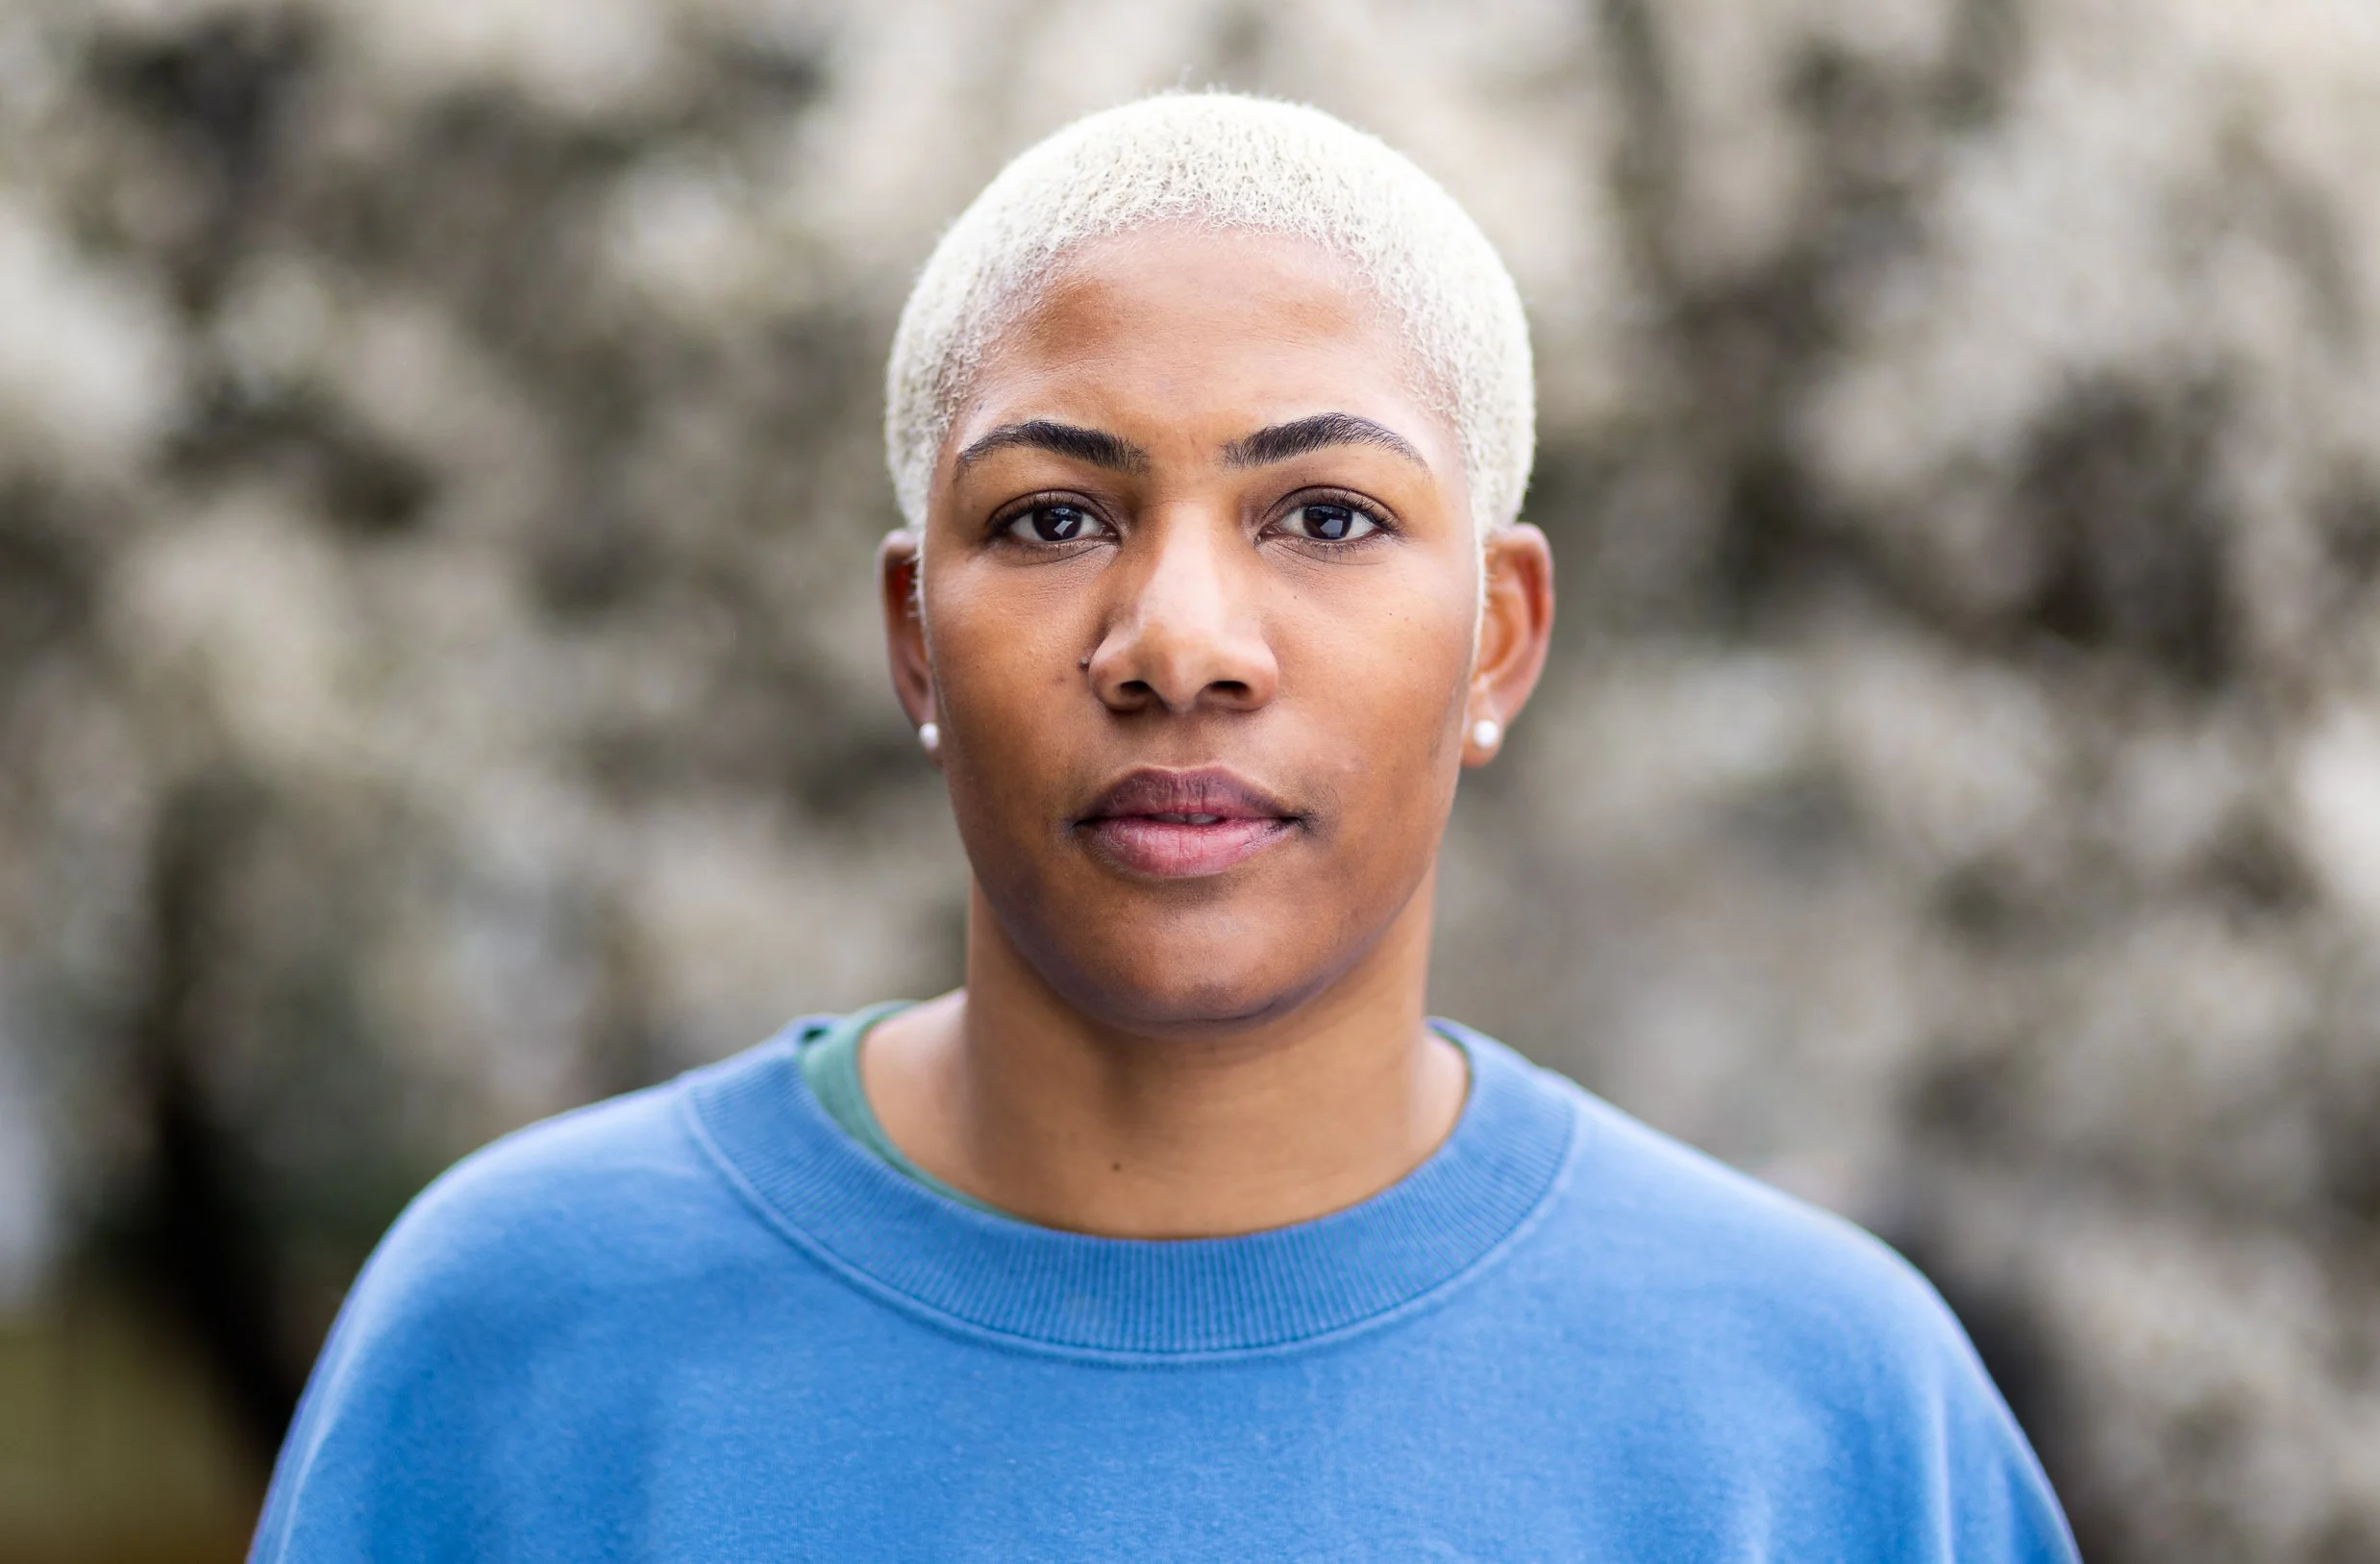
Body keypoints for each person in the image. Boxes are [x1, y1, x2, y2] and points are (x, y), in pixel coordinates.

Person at [252, 92, 2079, 1561]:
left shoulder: (1824, 1414)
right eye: (1053, 518)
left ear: (1498, 639)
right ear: (913, 638)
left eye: (1329, 516)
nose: (1181, 645)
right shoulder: (518, 1338)